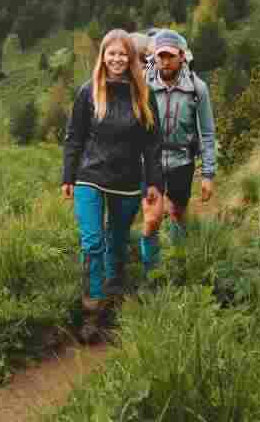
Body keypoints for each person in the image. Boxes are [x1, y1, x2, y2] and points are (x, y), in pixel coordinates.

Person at [62, 29, 163, 343]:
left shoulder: (144, 94)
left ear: (131, 59)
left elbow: (152, 144)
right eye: (112, 53)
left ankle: (112, 306)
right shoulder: (87, 92)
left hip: (128, 181)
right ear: (103, 56)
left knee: (117, 244)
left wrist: (154, 183)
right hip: (89, 176)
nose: (117, 59)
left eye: (123, 54)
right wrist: (68, 176)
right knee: (92, 242)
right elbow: (74, 137)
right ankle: (91, 311)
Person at [139, 28, 218, 274]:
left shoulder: (197, 88)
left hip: (182, 161)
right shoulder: (143, 84)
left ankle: (177, 264)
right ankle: (151, 271)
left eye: (170, 56)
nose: (165, 61)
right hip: (150, 162)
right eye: (161, 56)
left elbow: (207, 132)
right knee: (152, 219)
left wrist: (208, 174)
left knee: (177, 213)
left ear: (181, 56)